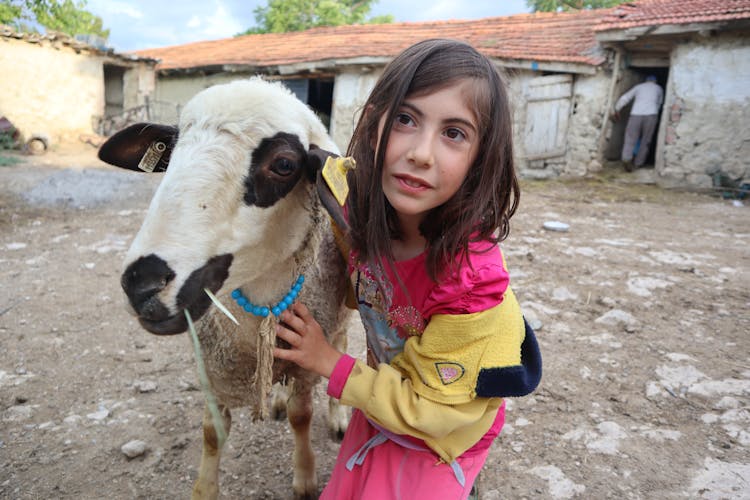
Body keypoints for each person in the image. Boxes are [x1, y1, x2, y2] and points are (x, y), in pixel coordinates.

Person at [273, 39, 542, 500]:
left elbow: (432, 411)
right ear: (375, 122)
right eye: (405, 119)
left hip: (440, 426)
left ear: (483, 158)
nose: (421, 152)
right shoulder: (358, 207)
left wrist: (329, 363)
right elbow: (324, 180)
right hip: (382, 396)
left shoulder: (469, 285)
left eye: (454, 133)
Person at [612, 74, 664, 171]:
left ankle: (626, 158)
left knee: (630, 137)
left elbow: (625, 98)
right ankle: (638, 163)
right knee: (646, 140)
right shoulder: (659, 88)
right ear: (655, 81)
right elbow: (659, 103)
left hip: (635, 114)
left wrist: (617, 109)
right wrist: (656, 113)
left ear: (646, 80)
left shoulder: (639, 87)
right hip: (651, 115)